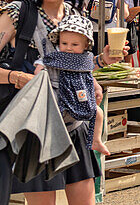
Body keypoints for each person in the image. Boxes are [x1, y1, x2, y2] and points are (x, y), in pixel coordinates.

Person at [0, 0, 113, 205]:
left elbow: (76, 63)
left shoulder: (76, 16)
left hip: (74, 123)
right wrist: (15, 77)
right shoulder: (18, 12)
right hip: (37, 127)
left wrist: (98, 69)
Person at [33, 13, 110, 156]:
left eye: (74, 45)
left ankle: (96, 140)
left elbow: (87, 74)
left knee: (98, 113)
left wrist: (96, 86)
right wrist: (40, 69)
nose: (68, 48)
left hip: (82, 94)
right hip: (63, 94)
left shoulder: (85, 60)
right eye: (64, 43)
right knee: (57, 115)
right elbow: (44, 61)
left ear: (86, 45)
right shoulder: (56, 56)